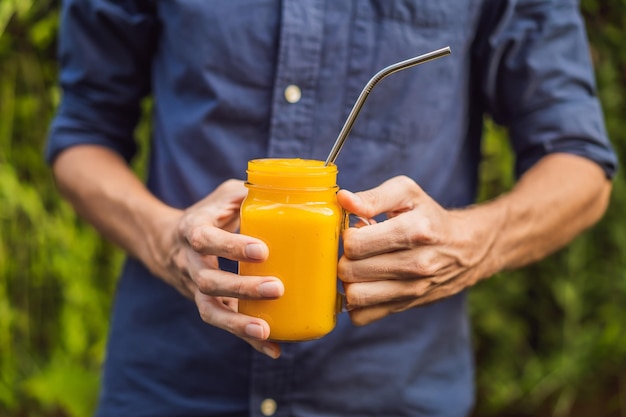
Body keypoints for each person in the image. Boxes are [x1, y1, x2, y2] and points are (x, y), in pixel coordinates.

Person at [46, 1, 617, 416]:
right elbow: (82, 132)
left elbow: (581, 164)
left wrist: (472, 242)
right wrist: (164, 237)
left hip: (393, 392)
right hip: (172, 385)